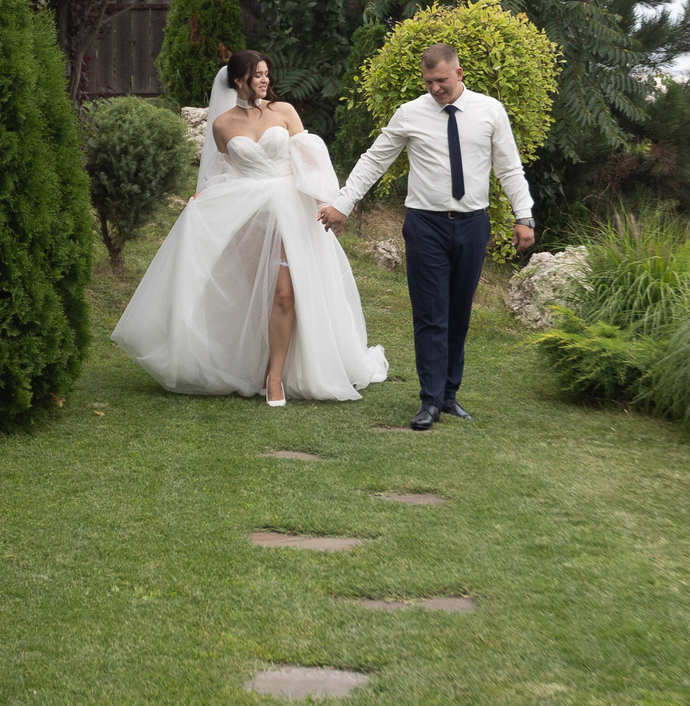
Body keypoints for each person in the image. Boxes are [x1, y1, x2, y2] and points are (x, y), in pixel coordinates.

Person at [112, 51, 388, 404]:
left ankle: (275, 378)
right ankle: (263, 366)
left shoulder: (284, 111)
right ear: (239, 79)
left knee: (286, 294)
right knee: (259, 295)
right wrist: (206, 199)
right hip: (250, 215)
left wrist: (326, 203)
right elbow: (224, 171)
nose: (264, 80)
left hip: (291, 209)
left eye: (266, 74)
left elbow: (310, 162)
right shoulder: (222, 124)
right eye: (257, 74)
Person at [319, 42, 534, 430]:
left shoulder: (490, 111)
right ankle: (430, 400)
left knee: (458, 312)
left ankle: (450, 394)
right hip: (426, 225)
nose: (435, 89)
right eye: (429, 82)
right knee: (431, 313)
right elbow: (374, 159)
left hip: (472, 224)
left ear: (459, 74)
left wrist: (525, 215)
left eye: (442, 81)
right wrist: (343, 203)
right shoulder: (410, 113)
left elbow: (510, 168)